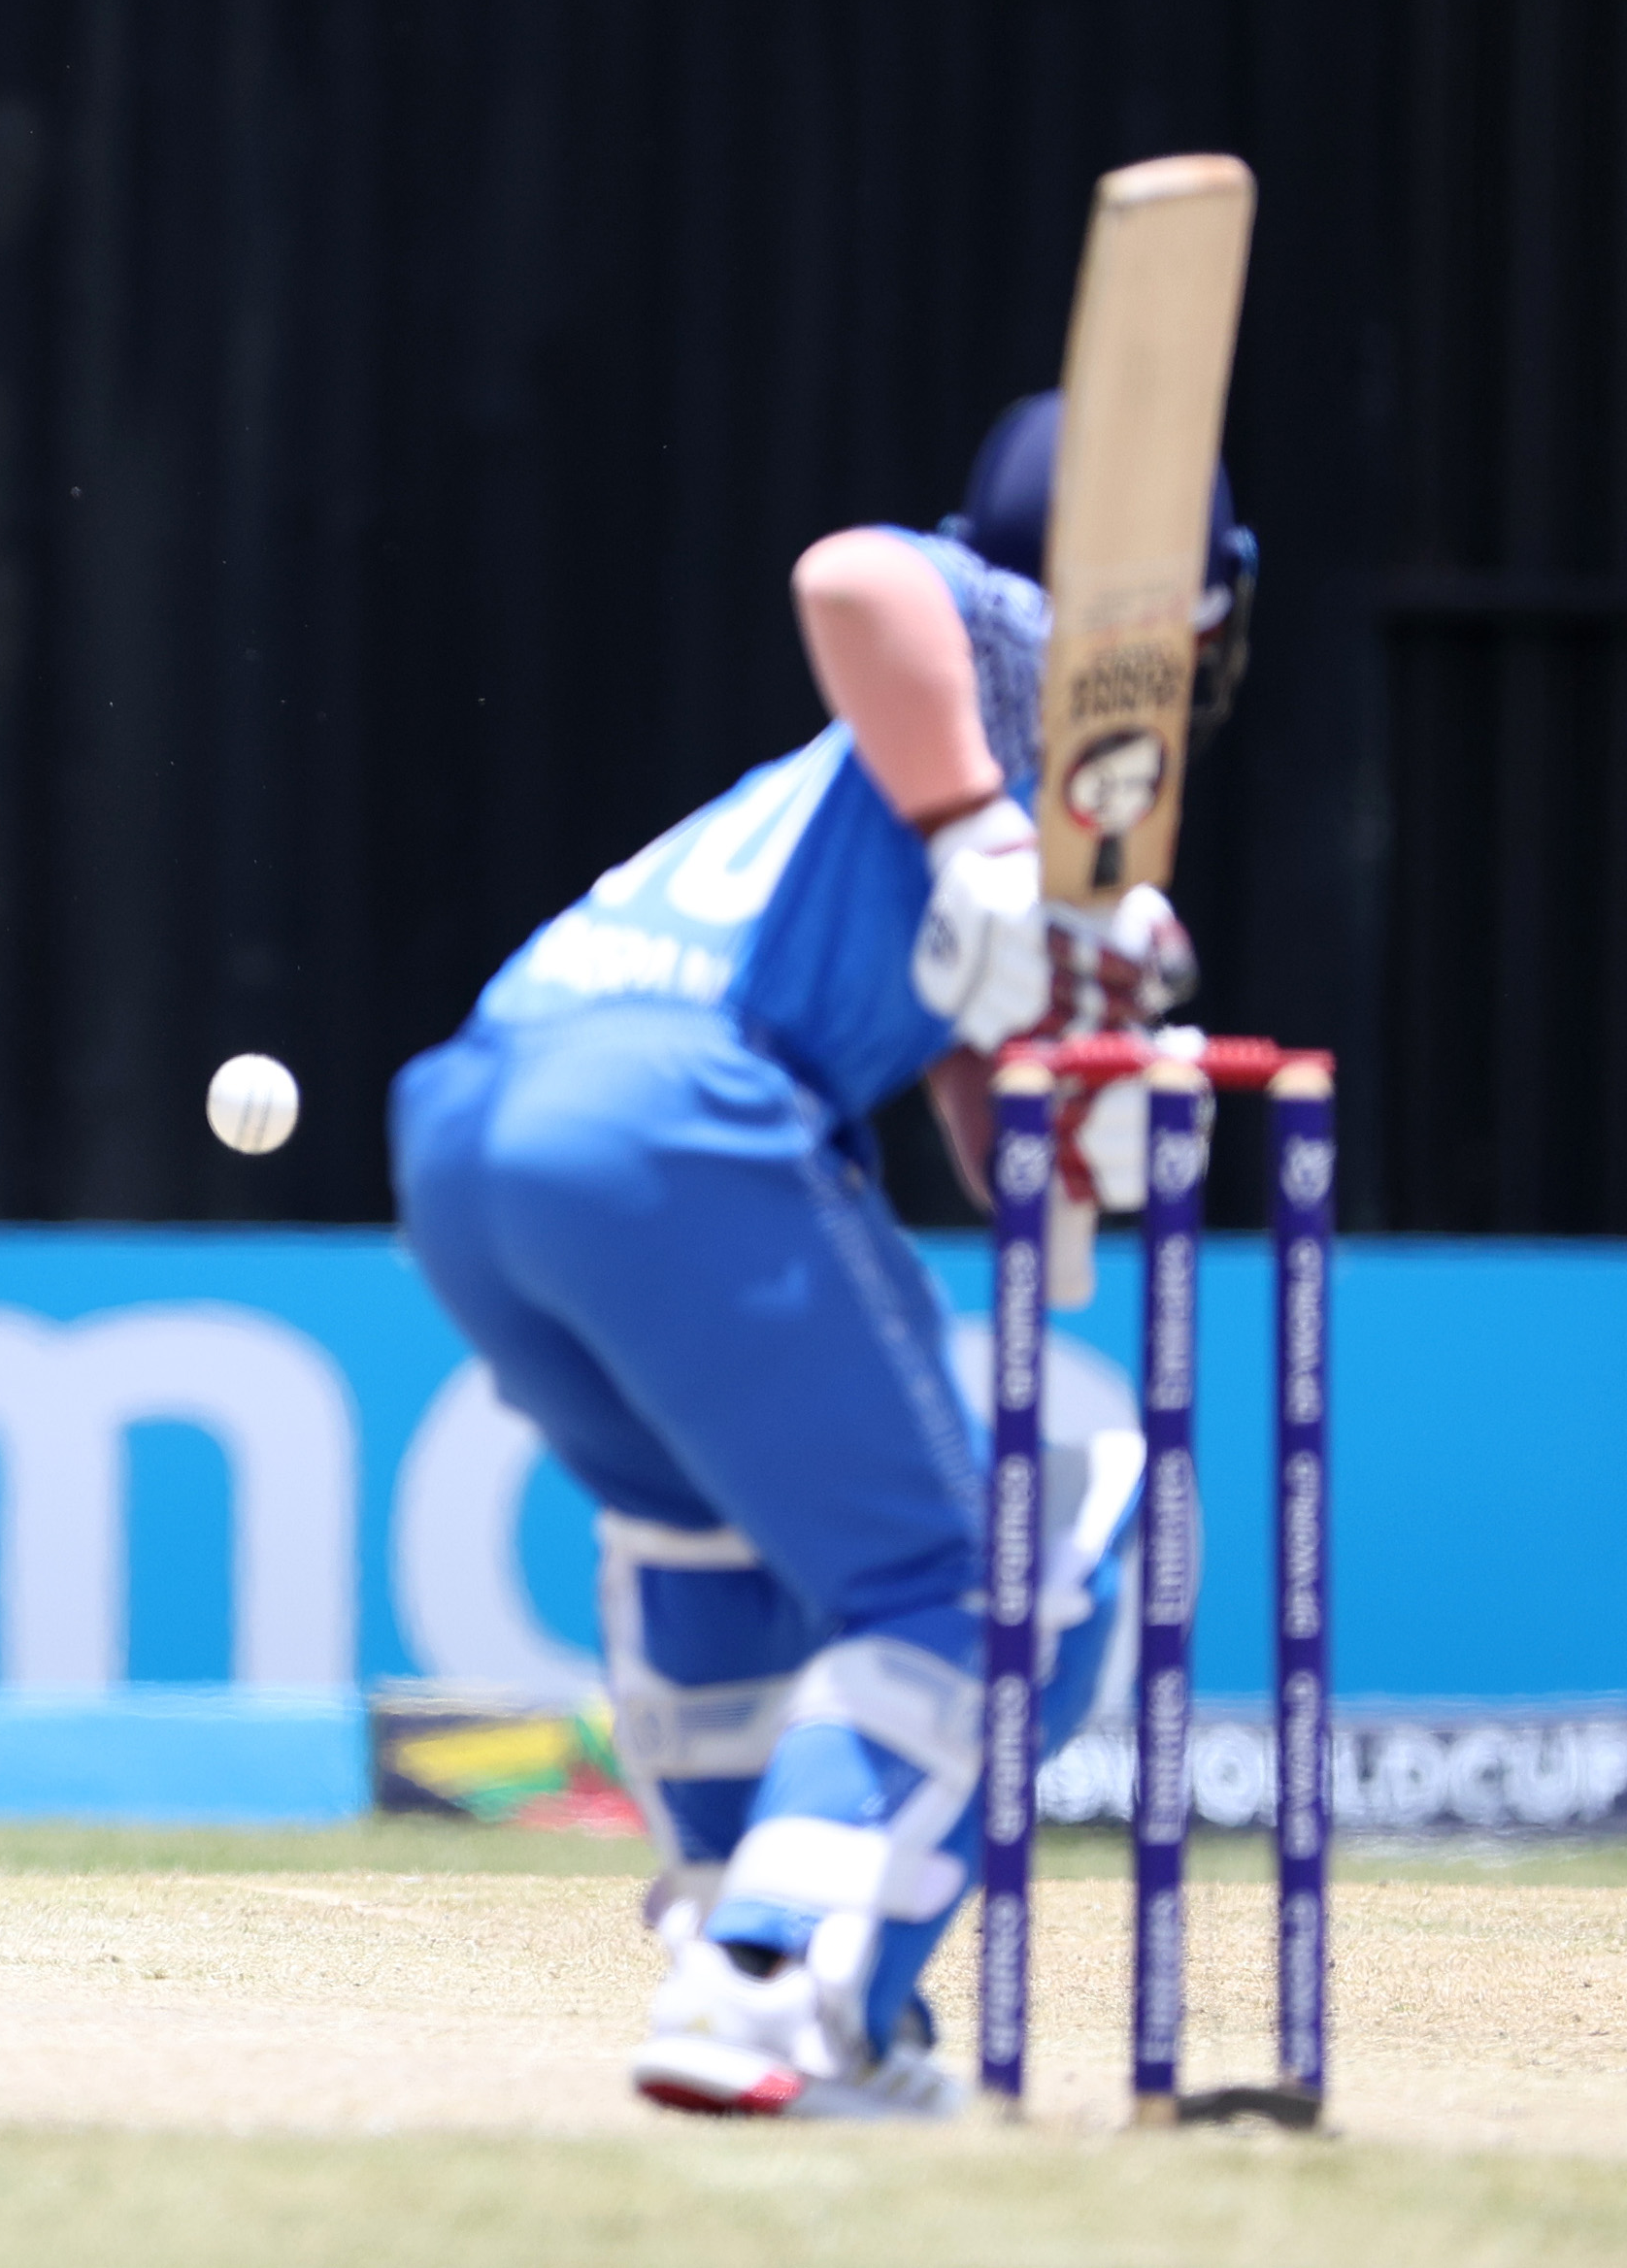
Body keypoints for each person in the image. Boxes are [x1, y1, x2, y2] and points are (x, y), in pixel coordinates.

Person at [389, 392, 1251, 2117]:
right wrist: (987, 837)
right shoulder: (1016, 672)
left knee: (709, 1550)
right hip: (676, 1113)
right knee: (991, 1573)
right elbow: (852, 574)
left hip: (477, 1127)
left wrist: (1092, 1112)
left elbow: (993, 1134)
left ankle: (733, 1946)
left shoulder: (953, 796)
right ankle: (776, 1982)